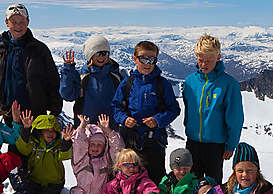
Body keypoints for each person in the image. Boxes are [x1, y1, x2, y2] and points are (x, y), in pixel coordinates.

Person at [111, 41, 180, 184]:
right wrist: (124, 119)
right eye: (144, 59)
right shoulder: (127, 83)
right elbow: (116, 107)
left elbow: (174, 109)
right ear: (135, 58)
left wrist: (158, 120)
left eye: (152, 60)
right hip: (131, 142)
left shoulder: (162, 84)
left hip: (155, 141)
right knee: (131, 178)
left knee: (155, 178)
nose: (148, 64)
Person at [181, 35, 244, 183]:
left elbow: (235, 117)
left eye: (209, 59)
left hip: (216, 146)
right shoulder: (190, 81)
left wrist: (231, 145)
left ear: (218, 57)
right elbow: (188, 108)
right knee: (191, 185)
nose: (204, 64)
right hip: (193, 142)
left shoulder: (228, 83)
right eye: (200, 59)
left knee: (212, 188)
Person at [0, 3, 62, 118]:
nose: (18, 26)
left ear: (28, 22)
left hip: (34, 112)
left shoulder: (39, 49)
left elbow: (53, 80)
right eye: (13, 22)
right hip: (5, 112)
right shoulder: (0, 50)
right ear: (7, 23)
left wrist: (55, 110)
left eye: (22, 21)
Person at [62, 114, 124, 194]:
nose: (95, 147)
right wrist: (82, 127)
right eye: (93, 144)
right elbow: (79, 143)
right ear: (88, 145)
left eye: (99, 145)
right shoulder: (81, 159)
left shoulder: (107, 161)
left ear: (104, 147)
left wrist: (108, 131)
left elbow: (118, 147)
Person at [59, 34, 124, 126]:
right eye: (97, 53)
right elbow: (67, 95)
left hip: (111, 129)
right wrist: (68, 70)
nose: (101, 57)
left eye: (104, 53)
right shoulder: (83, 76)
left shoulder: (116, 76)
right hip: (86, 130)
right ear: (90, 56)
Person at [14, 113, 73, 194]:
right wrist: (26, 130)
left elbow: (66, 155)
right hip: (34, 180)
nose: (51, 133)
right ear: (40, 132)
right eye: (47, 130)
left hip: (53, 183)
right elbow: (23, 148)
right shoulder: (34, 144)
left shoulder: (58, 146)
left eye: (53, 131)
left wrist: (66, 143)